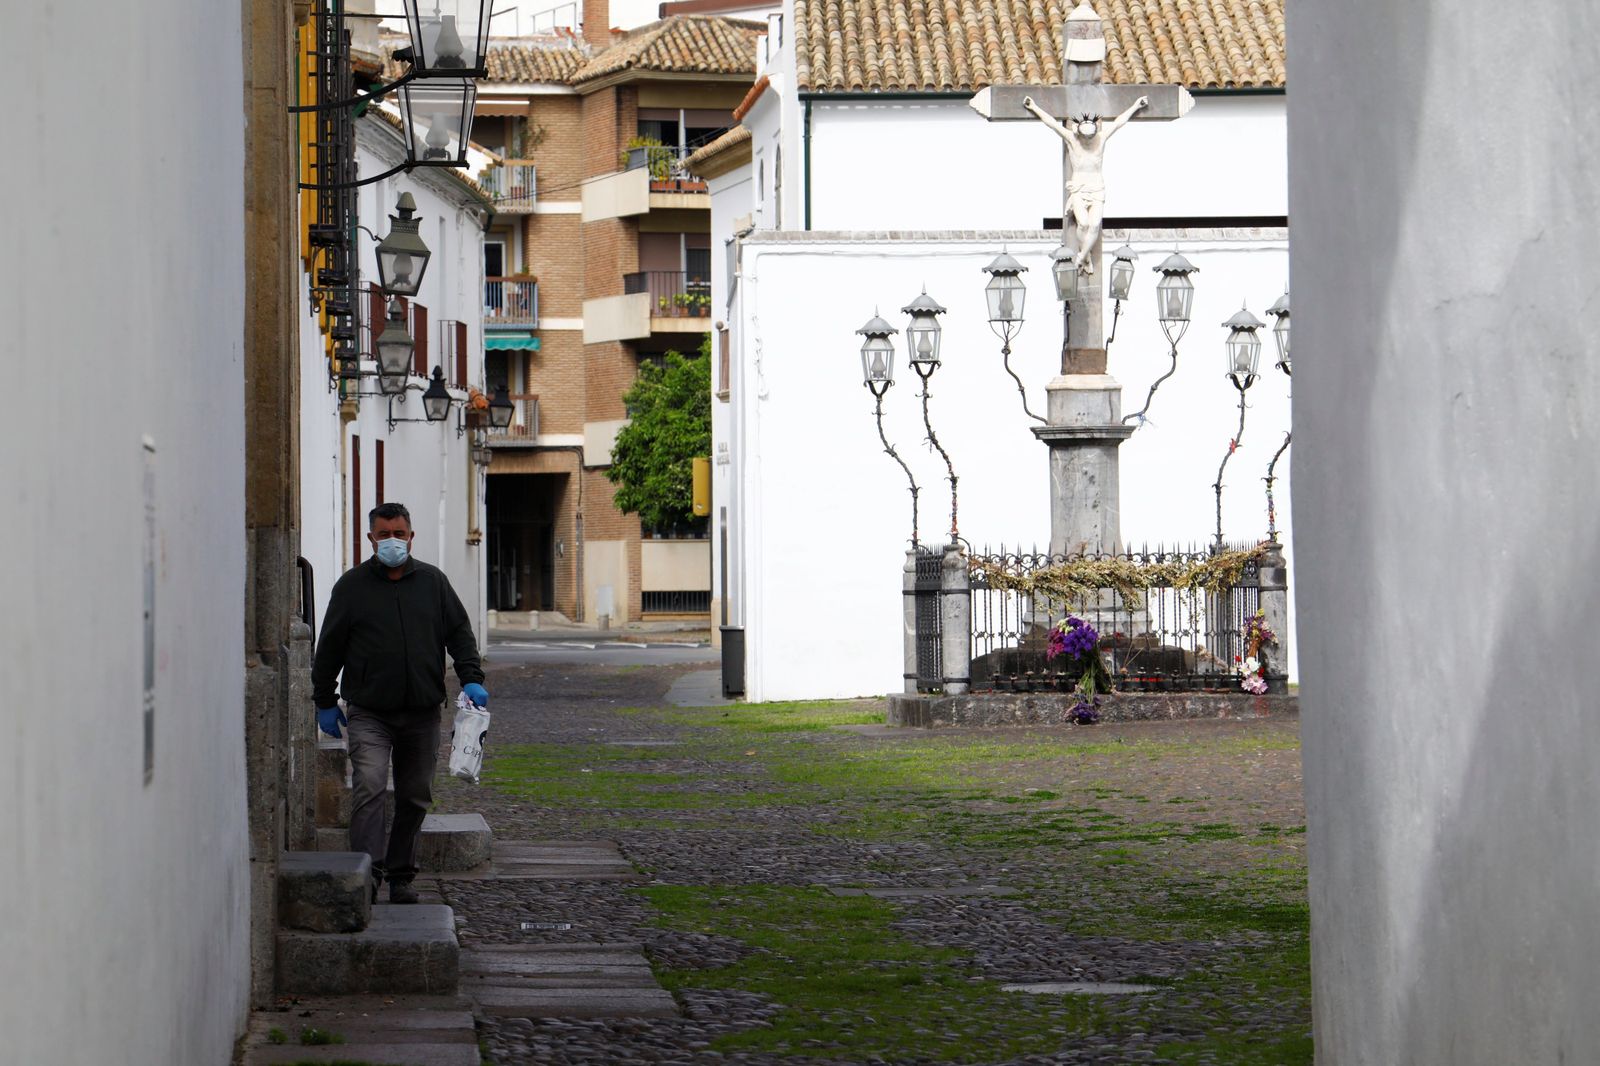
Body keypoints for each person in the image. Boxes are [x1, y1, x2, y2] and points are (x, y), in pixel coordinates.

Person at [312, 501, 488, 904]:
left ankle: (401, 875)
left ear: (411, 536)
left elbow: (459, 635)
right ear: (371, 538)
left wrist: (471, 678)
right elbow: (330, 647)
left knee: (414, 793)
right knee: (370, 786)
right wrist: (324, 699)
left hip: (422, 712)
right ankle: (367, 871)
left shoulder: (433, 583)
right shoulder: (352, 587)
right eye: (384, 534)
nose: (393, 540)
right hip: (369, 711)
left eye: (400, 533)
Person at [1021, 94, 1147, 273]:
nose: (1088, 142)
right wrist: (1034, 107)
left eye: (1090, 138)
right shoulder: (1072, 139)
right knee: (1084, 224)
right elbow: (1052, 124)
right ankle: (1085, 256)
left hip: (1097, 189)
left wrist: (1136, 105)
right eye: (1085, 138)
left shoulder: (1101, 138)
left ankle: (1081, 257)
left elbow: (1119, 122)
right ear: (1078, 132)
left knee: (1095, 225)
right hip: (1079, 189)